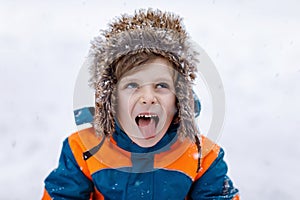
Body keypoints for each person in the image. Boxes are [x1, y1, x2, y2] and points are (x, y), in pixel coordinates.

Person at [42, 8, 239, 199]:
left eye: (161, 85)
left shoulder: (201, 156)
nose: (148, 97)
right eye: (132, 85)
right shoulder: (84, 150)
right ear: (112, 99)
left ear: (179, 99)